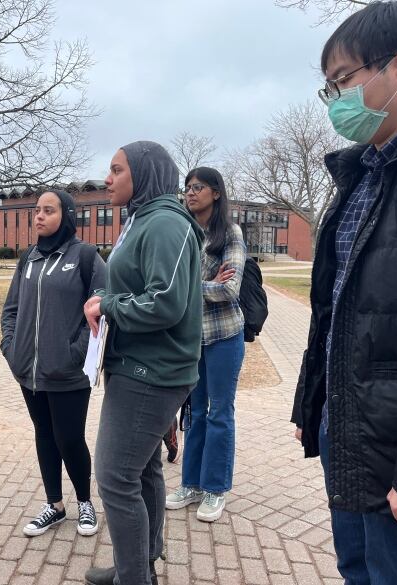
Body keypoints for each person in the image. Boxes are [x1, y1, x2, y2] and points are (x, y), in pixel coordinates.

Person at [292, 2, 397, 583]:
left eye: (343, 82)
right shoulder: (359, 176)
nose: (335, 102)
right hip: (351, 440)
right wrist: (315, 403)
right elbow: (335, 310)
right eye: (327, 89)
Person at [83, 141, 204, 585]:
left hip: (151, 373)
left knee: (114, 477)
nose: (107, 179)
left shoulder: (166, 225)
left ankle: (133, 577)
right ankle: (141, 564)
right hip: (135, 365)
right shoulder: (142, 220)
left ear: (144, 173)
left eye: (116, 169)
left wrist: (108, 304)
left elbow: (165, 304)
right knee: (144, 468)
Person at [1, 190, 106, 538]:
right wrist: (11, 346)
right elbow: (12, 308)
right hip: (29, 371)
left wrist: (73, 353)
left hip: (69, 373)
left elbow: (102, 311)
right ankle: (55, 505)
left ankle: (85, 503)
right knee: (45, 435)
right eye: (37, 210)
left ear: (68, 214)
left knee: (70, 438)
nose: (39, 216)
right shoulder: (28, 258)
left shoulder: (86, 257)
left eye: (49, 210)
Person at [166, 167, 246, 523]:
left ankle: (215, 489)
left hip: (224, 336)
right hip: (191, 339)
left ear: (216, 192)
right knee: (194, 414)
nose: (190, 193)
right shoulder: (182, 232)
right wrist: (204, 282)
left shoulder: (229, 233)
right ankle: (191, 484)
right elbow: (166, 285)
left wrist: (192, 286)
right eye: (187, 187)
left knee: (219, 413)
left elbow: (229, 290)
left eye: (198, 187)